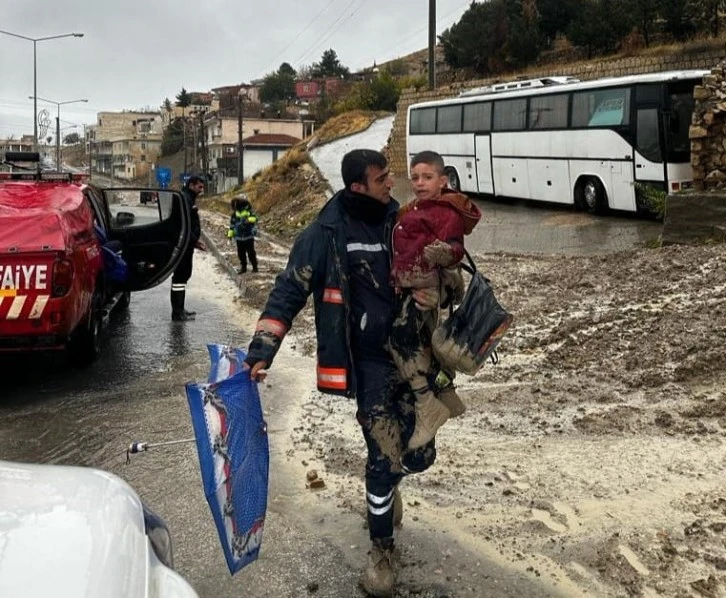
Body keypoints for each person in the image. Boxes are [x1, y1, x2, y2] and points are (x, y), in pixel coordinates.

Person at [244, 149, 441, 597]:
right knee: (381, 453)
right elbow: (289, 289)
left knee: (419, 453)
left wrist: (440, 290)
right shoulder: (325, 233)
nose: (392, 184)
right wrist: (263, 348)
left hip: (414, 356)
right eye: (382, 179)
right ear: (358, 187)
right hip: (368, 365)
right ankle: (382, 550)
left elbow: (443, 270)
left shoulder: (403, 221)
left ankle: (390, 484)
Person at [389, 150, 481, 451]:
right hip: (411, 287)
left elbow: (455, 248)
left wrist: (446, 254)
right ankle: (447, 392)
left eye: (427, 177)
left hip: (423, 290)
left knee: (402, 339)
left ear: (443, 180)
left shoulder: (445, 211)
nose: (419, 183)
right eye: (414, 177)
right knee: (423, 342)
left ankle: (427, 403)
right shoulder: (414, 209)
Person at [171, 175, 206, 321]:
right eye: (200, 187)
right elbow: (184, 224)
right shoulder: (185, 199)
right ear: (191, 185)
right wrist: (194, 241)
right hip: (184, 244)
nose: (202, 190)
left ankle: (180, 310)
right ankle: (178, 312)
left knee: (183, 276)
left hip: (187, 244)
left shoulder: (188, 198)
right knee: (180, 277)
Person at [227, 193, 259, 274]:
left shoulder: (249, 211)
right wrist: (230, 234)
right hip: (239, 237)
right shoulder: (235, 214)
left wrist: (249, 220)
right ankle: (243, 267)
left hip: (248, 235)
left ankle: (255, 266)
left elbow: (255, 218)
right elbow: (232, 225)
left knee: (251, 252)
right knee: (241, 253)